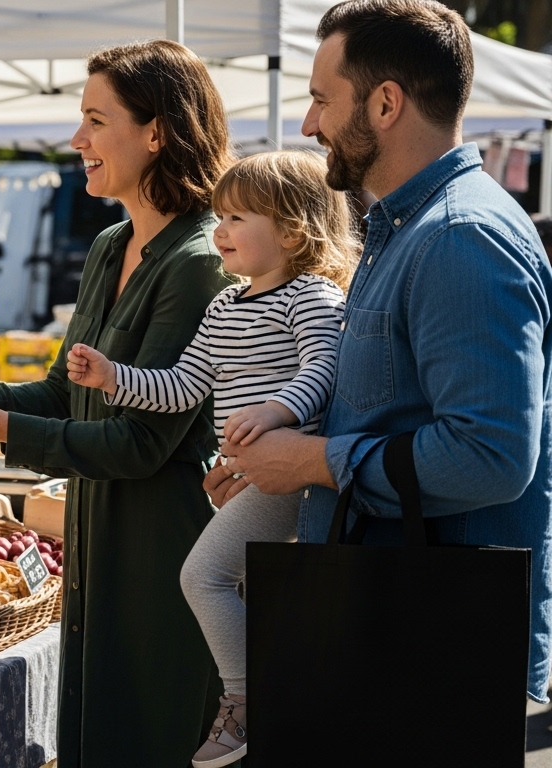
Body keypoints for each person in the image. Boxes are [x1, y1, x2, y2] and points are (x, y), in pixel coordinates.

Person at [0, 40, 234, 767]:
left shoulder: (200, 262)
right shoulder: (113, 244)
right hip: (98, 538)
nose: (76, 140)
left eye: (94, 120)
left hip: (164, 551)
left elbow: (139, 442)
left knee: (153, 736)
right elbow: (61, 390)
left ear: (157, 132)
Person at [211, 0, 552, 705]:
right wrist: (280, 457)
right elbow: (391, 405)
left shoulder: (459, 237)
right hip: (401, 633)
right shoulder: (408, 226)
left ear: (387, 103)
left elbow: (489, 455)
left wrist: (313, 461)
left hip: (443, 659)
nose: (310, 125)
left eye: (321, 100)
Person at [67, 151, 357, 767]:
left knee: (204, 577)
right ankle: (269, 697)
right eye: (219, 215)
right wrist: (112, 377)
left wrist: (277, 413)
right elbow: (182, 386)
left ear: (291, 232)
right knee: (247, 591)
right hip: (249, 481)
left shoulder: (313, 298)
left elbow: (324, 371)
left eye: (236, 217)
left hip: (290, 479)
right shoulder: (226, 307)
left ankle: (244, 704)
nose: (218, 230)